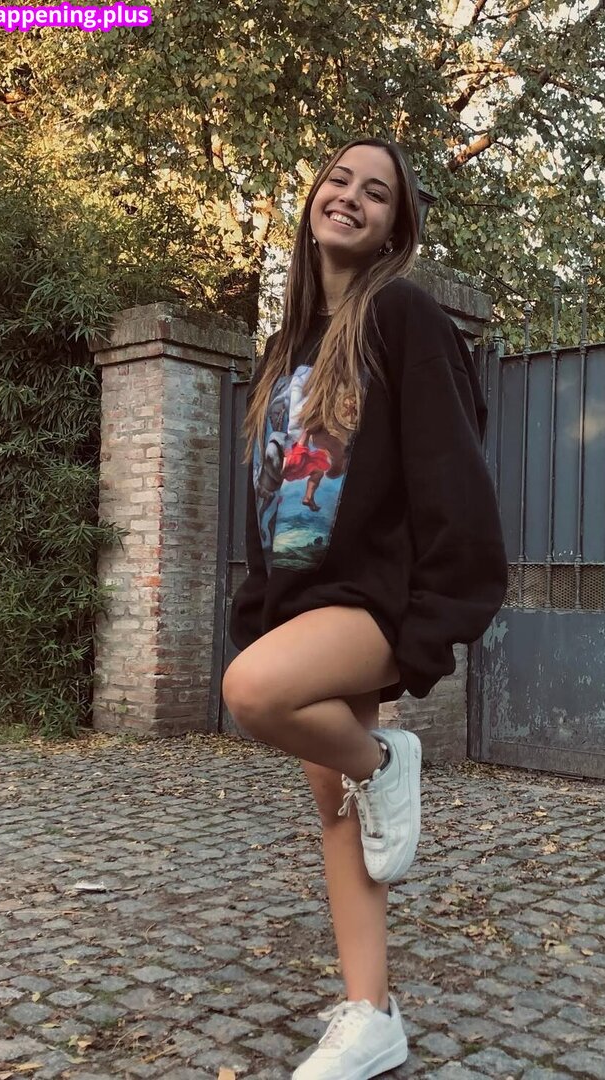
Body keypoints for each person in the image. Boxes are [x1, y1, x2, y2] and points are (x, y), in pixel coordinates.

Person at [222, 137, 507, 1080]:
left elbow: (451, 465)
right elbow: (270, 497)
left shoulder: (403, 316)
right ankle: (371, 1013)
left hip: (373, 599)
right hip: (303, 600)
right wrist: (261, 601)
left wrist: (436, 614)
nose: (350, 197)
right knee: (338, 816)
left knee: (253, 692)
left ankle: (389, 760)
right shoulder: (286, 350)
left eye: (375, 192)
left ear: (395, 227)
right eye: (339, 180)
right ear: (314, 200)